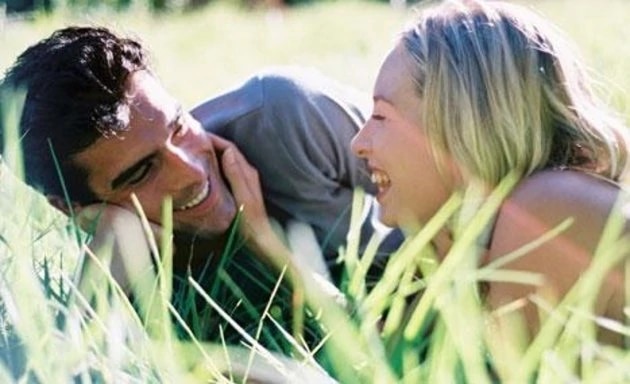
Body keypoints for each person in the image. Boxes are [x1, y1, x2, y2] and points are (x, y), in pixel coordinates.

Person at [0, 26, 398, 344]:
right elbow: (61, 369)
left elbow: (457, 186)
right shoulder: (130, 282)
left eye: (179, 127)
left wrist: (265, 241)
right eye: (141, 172)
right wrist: (101, 285)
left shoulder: (285, 116)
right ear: (72, 208)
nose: (190, 171)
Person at [351, 0, 629, 345]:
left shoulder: (546, 209)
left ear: (462, 124)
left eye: (381, 117)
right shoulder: (473, 246)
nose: (358, 144)